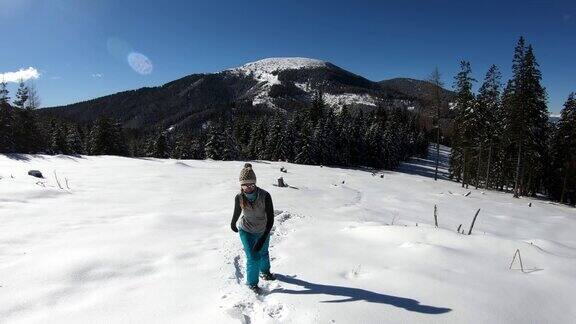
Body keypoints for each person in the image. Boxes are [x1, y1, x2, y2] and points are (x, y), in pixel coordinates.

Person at [230, 163, 276, 294]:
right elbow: (237, 211)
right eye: (245, 185)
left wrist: (262, 238)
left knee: (263, 253)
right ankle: (252, 283)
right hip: (246, 231)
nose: (248, 188)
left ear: (255, 184)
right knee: (253, 257)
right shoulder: (239, 197)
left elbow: (271, 219)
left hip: (263, 229)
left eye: (251, 185)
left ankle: (265, 272)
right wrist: (233, 223)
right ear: (241, 185)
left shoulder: (265, 196)